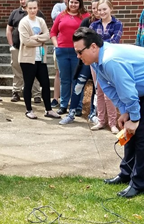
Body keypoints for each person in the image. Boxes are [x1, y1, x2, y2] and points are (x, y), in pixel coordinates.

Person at [73, 26, 144, 198]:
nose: (78, 56)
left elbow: (128, 91)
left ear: (93, 47)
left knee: (141, 135)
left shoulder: (111, 60)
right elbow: (109, 90)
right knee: (129, 134)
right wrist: (125, 112)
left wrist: (134, 118)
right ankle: (126, 174)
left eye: (80, 52)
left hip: (138, 92)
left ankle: (139, 183)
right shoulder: (97, 62)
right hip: (138, 93)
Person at [59, 0, 100, 125]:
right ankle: (71, 113)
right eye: (94, 8)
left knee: (96, 88)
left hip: (100, 62)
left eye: (99, 8)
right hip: (87, 62)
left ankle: (93, 113)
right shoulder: (87, 21)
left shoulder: (111, 23)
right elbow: (78, 37)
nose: (97, 11)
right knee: (78, 84)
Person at [18, 0, 61, 120]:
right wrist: (39, 39)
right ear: (26, 8)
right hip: (27, 59)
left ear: (37, 8)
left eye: (34, 8)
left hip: (40, 59)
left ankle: (49, 110)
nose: (32, 10)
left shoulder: (40, 21)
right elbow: (26, 41)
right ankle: (29, 110)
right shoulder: (24, 22)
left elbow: (47, 35)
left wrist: (35, 37)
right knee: (29, 84)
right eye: (30, 8)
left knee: (46, 84)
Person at [50, 0, 89, 115]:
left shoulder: (85, 16)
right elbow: (53, 32)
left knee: (77, 79)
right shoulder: (61, 15)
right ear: (68, 2)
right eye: (71, 2)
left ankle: (77, 106)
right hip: (62, 51)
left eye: (76, 2)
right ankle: (63, 105)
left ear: (80, 4)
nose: (73, 4)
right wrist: (57, 46)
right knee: (64, 79)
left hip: (78, 52)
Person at [89, 0, 123, 134]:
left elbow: (115, 41)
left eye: (105, 9)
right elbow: (90, 41)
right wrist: (101, 42)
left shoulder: (117, 24)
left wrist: (98, 43)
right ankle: (101, 121)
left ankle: (112, 123)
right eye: (100, 9)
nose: (102, 12)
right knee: (99, 92)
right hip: (95, 62)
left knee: (109, 93)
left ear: (111, 9)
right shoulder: (93, 25)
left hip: (109, 61)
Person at [6, 0, 45, 103]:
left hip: (32, 49)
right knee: (17, 71)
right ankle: (16, 92)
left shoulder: (38, 14)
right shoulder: (15, 13)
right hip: (17, 48)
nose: (23, 1)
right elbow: (9, 29)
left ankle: (36, 94)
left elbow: (44, 32)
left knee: (35, 72)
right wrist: (11, 45)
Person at [50, 0, 68, 108]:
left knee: (71, 75)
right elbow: (54, 16)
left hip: (72, 49)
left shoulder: (78, 9)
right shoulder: (58, 6)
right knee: (58, 74)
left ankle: (67, 99)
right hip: (59, 47)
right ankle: (55, 98)